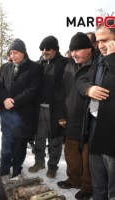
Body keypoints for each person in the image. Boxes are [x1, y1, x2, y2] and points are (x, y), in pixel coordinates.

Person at [77, 23, 115, 200]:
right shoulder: (98, 59)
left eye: (105, 40)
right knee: (98, 183)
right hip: (94, 129)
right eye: (98, 41)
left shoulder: (109, 59)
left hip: (111, 134)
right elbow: (80, 81)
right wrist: (88, 89)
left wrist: (112, 60)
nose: (100, 45)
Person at [0, 39, 43, 179]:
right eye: (11, 53)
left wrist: (15, 102)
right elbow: (0, 87)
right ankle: (4, 168)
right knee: (6, 143)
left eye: (16, 52)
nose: (13, 56)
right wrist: (5, 99)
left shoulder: (35, 68)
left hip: (24, 114)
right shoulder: (5, 67)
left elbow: (32, 90)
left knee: (19, 145)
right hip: (7, 113)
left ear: (23, 52)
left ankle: (17, 170)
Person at [57, 32, 93, 200]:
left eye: (78, 50)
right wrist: (62, 114)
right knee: (71, 152)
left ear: (89, 49)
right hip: (71, 116)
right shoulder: (69, 66)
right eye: (72, 50)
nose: (74, 54)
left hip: (89, 119)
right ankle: (73, 179)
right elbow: (63, 92)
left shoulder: (98, 65)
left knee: (88, 157)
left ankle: (87, 187)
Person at [28, 36, 68, 178]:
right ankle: (39, 161)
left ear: (55, 49)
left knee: (55, 139)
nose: (44, 51)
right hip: (39, 108)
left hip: (56, 109)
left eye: (48, 48)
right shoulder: (38, 64)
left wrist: (63, 113)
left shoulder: (65, 64)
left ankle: (52, 166)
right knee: (39, 137)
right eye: (42, 48)